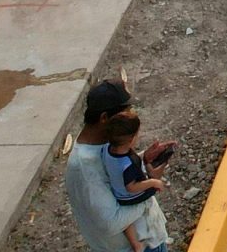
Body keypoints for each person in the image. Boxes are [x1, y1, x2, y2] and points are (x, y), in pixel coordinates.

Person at [64, 81, 151, 252]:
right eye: (125, 114)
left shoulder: (109, 142)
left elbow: (117, 172)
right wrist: (152, 189)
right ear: (104, 118)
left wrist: (144, 159)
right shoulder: (83, 168)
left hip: (147, 239)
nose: (130, 118)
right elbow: (111, 223)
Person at [100, 112, 171, 252]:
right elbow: (131, 187)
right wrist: (153, 182)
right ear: (132, 139)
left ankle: (135, 244)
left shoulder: (106, 150)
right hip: (131, 197)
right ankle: (138, 245)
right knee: (138, 208)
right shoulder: (127, 165)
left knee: (127, 222)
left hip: (117, 193)